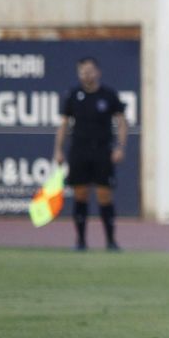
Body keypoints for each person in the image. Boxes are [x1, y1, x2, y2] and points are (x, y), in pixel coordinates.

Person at [53, 56, 128, 251]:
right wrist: (58, 150)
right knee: (80, 194)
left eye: (89, 71)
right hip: (80, 150)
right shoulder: (72, 95)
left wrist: (120, 147)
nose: (86, 75)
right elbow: (64, 124)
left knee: (104, 195)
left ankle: (111, 241)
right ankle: (80, 241)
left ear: (97, 72)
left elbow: (121, 122)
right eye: (82, 72)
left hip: (103, 150)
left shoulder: (109, 95)